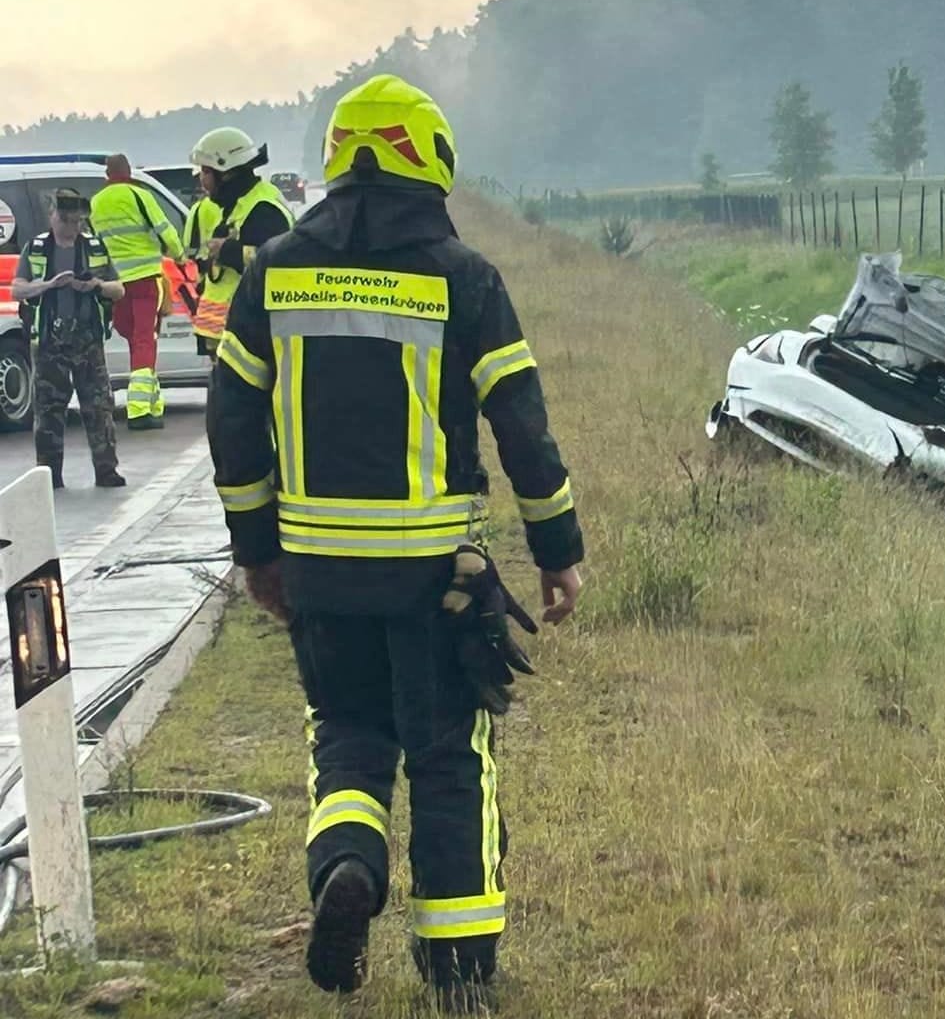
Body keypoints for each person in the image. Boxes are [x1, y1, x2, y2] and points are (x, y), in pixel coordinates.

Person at [205, 74, 585, 1012]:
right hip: (434, 577)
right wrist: (557, 549)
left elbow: (230, 420)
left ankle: (350, 867)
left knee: (347, 735)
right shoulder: (464, 276)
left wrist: (258, 551)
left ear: (337, 157)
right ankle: (456, 970)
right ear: (434, 160)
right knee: (451, 754)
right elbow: (522, 428)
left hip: (320, 575)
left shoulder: (274, 272)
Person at [10, 189, 127, 489]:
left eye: (77, 221)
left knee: (99, 407)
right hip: (50, 341)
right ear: (53, 216)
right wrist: (48, 285)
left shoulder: (94, 247)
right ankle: (49, 475)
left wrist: (96, 285)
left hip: (88, 340)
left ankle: (106, 470)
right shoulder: (36, 248)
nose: (72, 227)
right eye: (66, 220)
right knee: (48, 411)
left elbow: (119, 289)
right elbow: (17, 289)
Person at [89, 153, 186, 430]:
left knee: (134, 338)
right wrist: (179, 256)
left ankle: (153, 402)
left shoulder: (97, 202)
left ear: (108, 174)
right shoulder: (139, 194)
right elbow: (165, 229)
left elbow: (98, 241)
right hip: (145, 278)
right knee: (145, 339)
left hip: (117, 284)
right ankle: (139, 409)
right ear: (128, 171)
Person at [186, 126, 293, 358]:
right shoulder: (236, 204)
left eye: (206, 171)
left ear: (226, 172)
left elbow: (280, 262)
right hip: (233, 336)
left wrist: (228, 251)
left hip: (252, 335)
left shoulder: (263, 209)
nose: (201, 179)